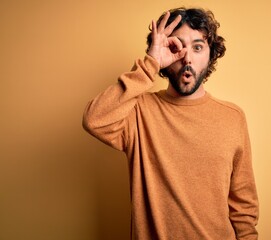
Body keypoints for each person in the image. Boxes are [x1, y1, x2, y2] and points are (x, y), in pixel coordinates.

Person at [83, 7, 259, 240]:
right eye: (178, 46)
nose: (187, 58)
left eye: (197, 47)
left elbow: (243, 206)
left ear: (210, 55)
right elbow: (94, 120)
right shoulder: (139, 112)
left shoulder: (233, 117)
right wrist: (151, 64)